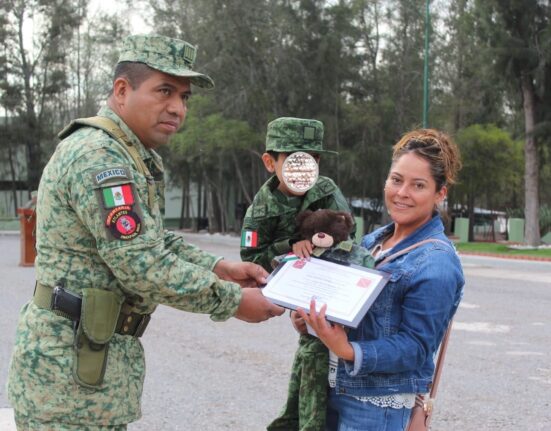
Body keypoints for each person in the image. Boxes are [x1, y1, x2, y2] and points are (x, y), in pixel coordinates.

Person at [7, 34, 283, 430]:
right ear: (122, 90)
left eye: (184, 97)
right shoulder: (98, 156)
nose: (177, 108)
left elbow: (153, 240)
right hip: (66, 383)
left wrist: (220, 266)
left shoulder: (131, 154)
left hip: (87, 370)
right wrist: (233, 301)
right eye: (164, 91)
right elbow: (142, 264)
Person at [298, 128, 464, 431]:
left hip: (376, 407)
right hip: (335, 388)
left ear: (440, 193)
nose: (402, 193)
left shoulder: (437, 263)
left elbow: (415, 347)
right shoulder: (373, 240)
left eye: (418, 185)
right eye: (396, 180)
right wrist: (312, 322)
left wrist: (349, 351)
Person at [239, 117, 354, 431]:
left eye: (312, 160)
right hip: (297, 299)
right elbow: (250, 258)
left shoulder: (326, 190)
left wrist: (320, 244)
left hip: (334, 291)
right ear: (269, 161)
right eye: (294, 160)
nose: (305, 169)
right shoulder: (261, 208)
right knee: (312, 364)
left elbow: (348, 236)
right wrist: (289, 246)